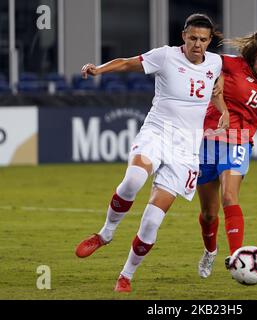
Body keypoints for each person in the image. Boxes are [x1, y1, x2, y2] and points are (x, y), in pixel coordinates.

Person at [74, 13, 229, 293]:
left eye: (203, 40)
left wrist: (224, 111)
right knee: (133, 180)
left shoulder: (215, 63)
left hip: (186, 150)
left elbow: (215, 89)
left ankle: (126, 276)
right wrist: (99, 69)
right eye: (193, 38)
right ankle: (105, 234)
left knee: (152, 221)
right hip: (157, 133)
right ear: (184, 35)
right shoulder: (166, 56)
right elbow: (126, 63)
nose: (197, 44)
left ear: (209, 41)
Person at [196, 29, 257, 278]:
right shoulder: (231, 65)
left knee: (229, 197)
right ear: (252, 57)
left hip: (239, 141)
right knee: (209, 213)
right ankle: (210, 252)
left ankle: (237, 257)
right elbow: (203, 56)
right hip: (209, 140)